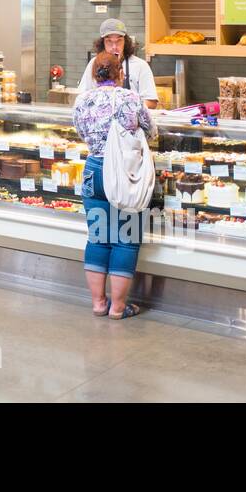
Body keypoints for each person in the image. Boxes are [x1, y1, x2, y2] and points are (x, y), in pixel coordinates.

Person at [73, 51, 154, 321]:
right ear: (120, 73)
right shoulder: (129, 98)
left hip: (93, 171)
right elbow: (151, 130)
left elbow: (80, 132)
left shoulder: (83, 100)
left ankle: (98, 303)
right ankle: (118, 308)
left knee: (98, 236)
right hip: (123, 173)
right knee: (126, 240)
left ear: (95, 74)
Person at [75, 18, 159, 109]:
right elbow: (81, 98)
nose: (114, 47)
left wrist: (125, 109)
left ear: (125, 42)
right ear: (103, 43)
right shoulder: (94, 63)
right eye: (109, 41)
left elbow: (151, 102)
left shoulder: (140, 66)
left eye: (119, 41)